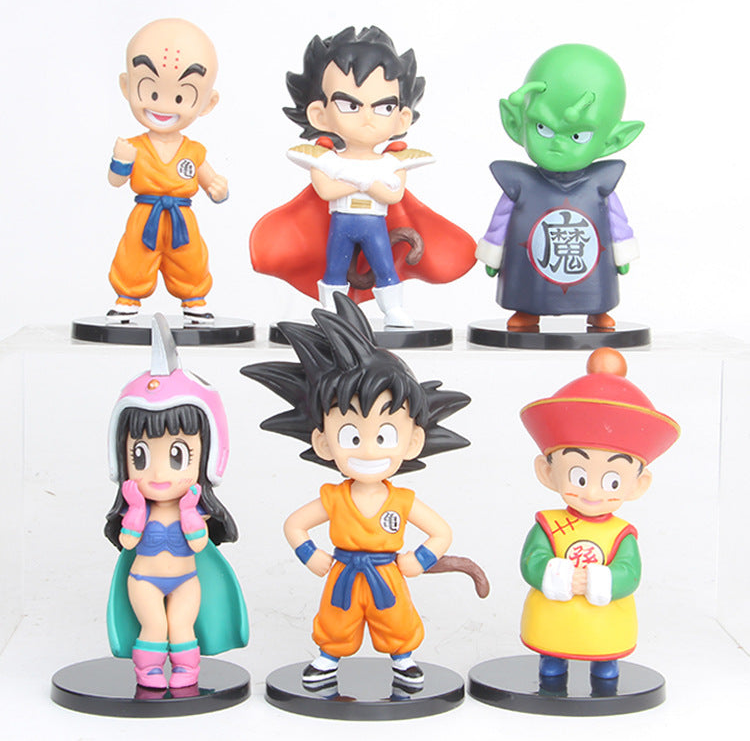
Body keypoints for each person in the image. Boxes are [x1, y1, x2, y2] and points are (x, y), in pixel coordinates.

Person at [241, 293, 472, 684]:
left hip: (387, 574)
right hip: (343, 572)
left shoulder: (401, 500)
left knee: (396, 620)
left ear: (413, 441)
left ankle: (402, 658)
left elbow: (441, 532)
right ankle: (328, 657)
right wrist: (310, 554)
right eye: (350, 435)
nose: (367, 450)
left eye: (384, 436)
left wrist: (420, 559)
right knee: (336, 620)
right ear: (323, 442)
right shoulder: (335, 498)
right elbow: (295, 524)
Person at [250, 26, 475, 327]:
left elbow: (393, 195)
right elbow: (326, 191)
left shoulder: (393, 161)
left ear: (402, 118)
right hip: (341, 222)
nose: (367, 117)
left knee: (385, 267)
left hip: (374, 224)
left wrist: (362, 182)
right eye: (350, 105)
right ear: (319, 114)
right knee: (334, 268)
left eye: (384, 107)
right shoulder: (325, 158)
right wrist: (363, 182)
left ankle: (393, 309)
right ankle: (331, 311)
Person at [518, 347, 679, 679]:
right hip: (552, 619)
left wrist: (596, 580)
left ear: (638, 485)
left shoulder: (622, 533)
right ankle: (553, 665)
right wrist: (559, 575)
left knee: (606, 670)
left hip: (606, 624)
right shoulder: (547, 524)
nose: (591, 493)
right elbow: (532, 562)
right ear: (547, 472)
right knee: (551, 667)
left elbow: (629, 574)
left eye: (612, 481)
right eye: (579, 476)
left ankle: (605, 669)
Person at [105, 315, 247, 688]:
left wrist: (189, 514)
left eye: (177, 455)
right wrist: (136, 512)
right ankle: (148, 670)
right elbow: (128, 543)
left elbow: (199, 545)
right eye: (140, 456)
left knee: (182, 625)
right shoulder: (140, 507)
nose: (158, 472)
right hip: (144, 579)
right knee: (154, 625)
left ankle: (187, 669)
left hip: (186, 578)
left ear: (208, 458)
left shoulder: (193, 507)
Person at [476, 44, 643, 331]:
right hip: (529, 276)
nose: (557, 144)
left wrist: (622, 250)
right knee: (527, 289)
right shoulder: (520, 183)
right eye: (542, 128)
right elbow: (501, 220)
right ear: (515, 123)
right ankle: (527, 310)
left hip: (593, 276)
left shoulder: (600, 184)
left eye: (578, 135)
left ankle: (597, 309)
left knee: (598, 290)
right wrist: (494, 250)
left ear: (614, 140)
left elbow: (617, 220)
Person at [107, 19, 228, 325]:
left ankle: (194, 297)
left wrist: (218, 188)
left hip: (181, 218)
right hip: (145, 214)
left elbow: (210, 181)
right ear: (127, 86)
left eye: (180, 98)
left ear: (207, 103)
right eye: (151, 92)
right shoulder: (134, 146)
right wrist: (121, 161)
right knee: (134, 255)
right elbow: (115, 181)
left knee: (190, 257)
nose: (163, 106)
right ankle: (127, 296)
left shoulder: (193, 151)